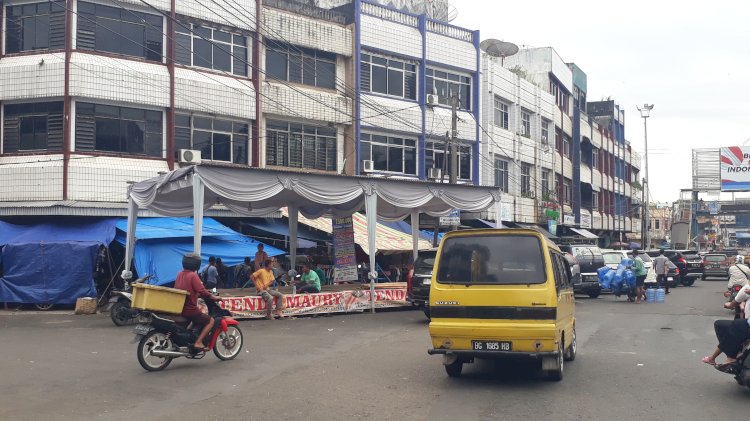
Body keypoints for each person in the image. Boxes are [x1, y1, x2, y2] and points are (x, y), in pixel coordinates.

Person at [175, 253, 222, 351]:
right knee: (211, 320)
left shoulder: (180, 274)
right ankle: (198, 342)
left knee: (199, 317)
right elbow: (202, 290)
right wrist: (214, 297)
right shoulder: (193, 275)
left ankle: (193, 338)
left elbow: (190, 290)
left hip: (180, 307)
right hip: (190, 309)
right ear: (197, 265)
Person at [704, 283, 750, 367]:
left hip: (747, 324)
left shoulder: (747, 287)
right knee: (720, 325)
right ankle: (733, 353)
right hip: (746, 322)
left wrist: (730, 304)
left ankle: (730, 356)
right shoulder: (747, 287)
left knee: (736, 324)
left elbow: (733, 303)